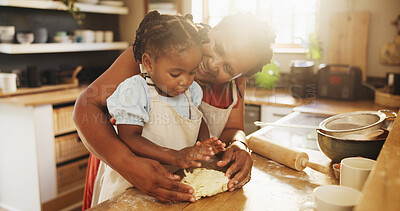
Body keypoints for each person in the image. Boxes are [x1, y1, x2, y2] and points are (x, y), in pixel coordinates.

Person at [73, 11, 275, 209]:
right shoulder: (161, 47)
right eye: (218, 47)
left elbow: (232, 129)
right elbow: (85, 107)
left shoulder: (235, 78)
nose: (213, 64)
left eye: (228, 69)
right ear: (214, 29)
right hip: (121, 164)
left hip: (179, 186)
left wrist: (239, 145)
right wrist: (127, 164)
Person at [91, 11, 226, 205]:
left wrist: (204, 144)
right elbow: (129, 137)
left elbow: (196, 118)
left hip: (169, 181)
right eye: (175, 73)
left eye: (192, 72)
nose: (185, 81)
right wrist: (175, 156)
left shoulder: (191, 91)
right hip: (130, 185)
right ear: (148, 63)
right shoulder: (135, 90)